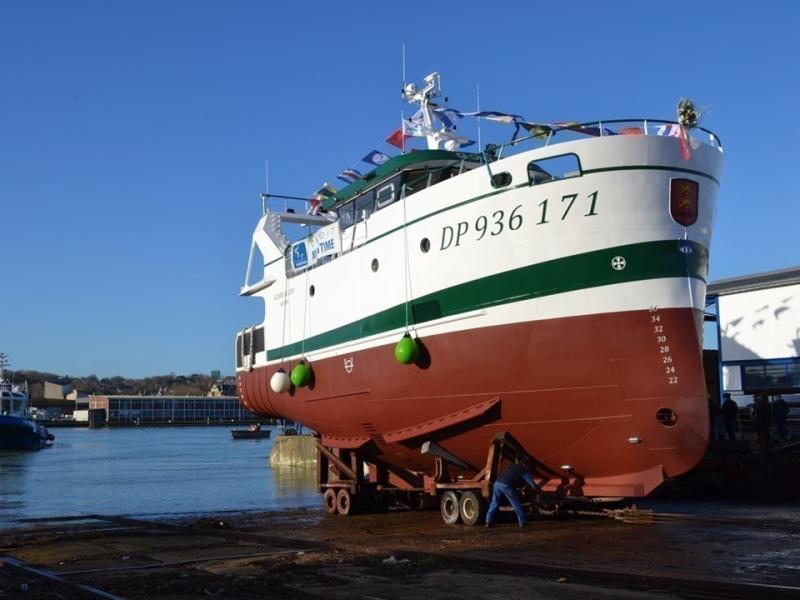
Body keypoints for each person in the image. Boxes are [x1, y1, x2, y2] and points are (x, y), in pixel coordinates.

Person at [485, 458, 539, 528]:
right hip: (506, 485)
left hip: (497, 483)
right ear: (525, 465)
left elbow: (511, 475)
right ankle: (522, 522)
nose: (528, 468)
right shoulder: (522, 470)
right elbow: (530, 481)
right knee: (516, 503)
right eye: (528, 466)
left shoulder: (511, 465)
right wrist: (537, 489)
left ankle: (488, 522)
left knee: (494, 502)